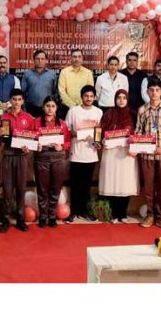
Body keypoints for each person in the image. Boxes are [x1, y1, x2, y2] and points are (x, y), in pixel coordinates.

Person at [135, 79, 161, 231]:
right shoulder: (142, 110)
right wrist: (143, 146)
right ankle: (150, 214)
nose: (154, 93)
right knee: (149, 186)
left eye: (157, 90)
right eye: (151, 90)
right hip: (147, 155)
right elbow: (138, 131)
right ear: (147, 92)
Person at [65, 85, 103, 223]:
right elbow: (66, 130)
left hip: (91, 154)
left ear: (94, 98)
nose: (88, 98)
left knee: (86, 185)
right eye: (86, 96)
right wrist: (76, 133)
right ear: (81, 97)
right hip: (76, 153)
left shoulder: (98, 112)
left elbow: (99, 131)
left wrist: (97, 141)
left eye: (91, 96)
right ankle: (73, 211)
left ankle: (84, 211)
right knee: (75, 184)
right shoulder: (73, 111)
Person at [99, 89, 138, 223]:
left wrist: (135, 147)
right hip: (111, 154)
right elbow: (100, 132)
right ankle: (114, 214)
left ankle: (123, 214)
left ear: (127, 100)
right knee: (112, 182)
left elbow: (138, 133)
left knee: (125, 183)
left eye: (124, 98)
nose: (121, 100)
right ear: (115, 99)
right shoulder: (109, 113)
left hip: (127, 154)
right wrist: (103, 141)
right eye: (119, 98)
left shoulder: (133, 114)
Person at [0, 88, 35, 232]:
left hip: (21, 156)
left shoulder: (28, 117)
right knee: (7, 189)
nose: (16, 102)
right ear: (10, 100)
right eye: (14, 99)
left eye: (19, 99)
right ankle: (6, 219)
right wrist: (1, 135)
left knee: (21, 188)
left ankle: (20, 219)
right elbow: (2, 139)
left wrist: (28, 147)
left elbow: (32, 137)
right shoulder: (4, 118)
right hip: (8, 154)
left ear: (23, 101)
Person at [34, 96, 71, 228]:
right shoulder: (36, 122)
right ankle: (43, 217)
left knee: (55, 189)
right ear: (43, 107)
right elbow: (31, 140)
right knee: (42, 189)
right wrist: (35, 146)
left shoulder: (62, 124)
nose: (50, 109)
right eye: (47, 106)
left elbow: (68, 142)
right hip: (41, 158)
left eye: (53, 106)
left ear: (56, 108)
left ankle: (52, 216)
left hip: (58, 158)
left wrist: (62, 147)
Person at [21, 50, 58, 118]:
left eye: (42, 59)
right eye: (37, 59)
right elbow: (23, 92)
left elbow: (55, 92)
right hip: (30, 108)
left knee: (45, 128)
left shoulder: (52, 74)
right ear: (34, 60)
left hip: (48, 109)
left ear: (46, 60)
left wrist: (53, 108)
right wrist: (24, 108)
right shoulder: (27, 74)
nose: (40, 61)